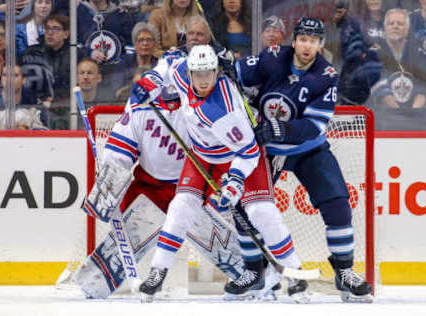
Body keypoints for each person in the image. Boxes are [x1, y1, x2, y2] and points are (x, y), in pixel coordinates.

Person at [132, 44, 306, 303]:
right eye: (198, 74)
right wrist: (151, 82)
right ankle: (158, 272)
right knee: (181, 207)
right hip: (202, 155)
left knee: (261, 213)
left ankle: (295, 275)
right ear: (190, 72)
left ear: (217, 72)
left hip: (243, 155)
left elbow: (248, 152)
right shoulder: (182, 72)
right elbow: (168, 63)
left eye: (208, 74)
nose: (203, 80)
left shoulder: (223, 110)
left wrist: (234, 183)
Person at [234, 17, 373, 303]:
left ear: (320, 45)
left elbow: (314, 126)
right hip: (266, 152)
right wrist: (224, 63)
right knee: (244, 206)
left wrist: (278, 129)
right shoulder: (272, 57)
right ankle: (253, 271)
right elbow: (234, 75)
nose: (308, 46)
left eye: (314, 41)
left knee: (337, 203)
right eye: (303, 40)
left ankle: (344, 271)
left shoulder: (327, 75)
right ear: (294, 40)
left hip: (308, 149)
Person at [73, 80, 248, 299]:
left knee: (234, 246)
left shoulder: (198, 108)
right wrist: (112, 179)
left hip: (192, 188)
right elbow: (121, 149)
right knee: (93, 285)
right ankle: (97, 279)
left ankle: (258, 277)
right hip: (148, 189)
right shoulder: (140, 106)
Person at [0, 65, 47, 130]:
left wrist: (26, 134)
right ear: (1, 80)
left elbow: (43, 135)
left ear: (23, 80)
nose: (9, 79)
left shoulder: (35, 105)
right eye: (5, 75)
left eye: (15, 75)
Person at [107, 22, 159, 94]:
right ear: (135, 44)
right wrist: (133, 84)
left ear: (155, 44)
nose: (145, 43)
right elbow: (116, 93)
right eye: (140, 40)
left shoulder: (160, 65)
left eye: (149, 40)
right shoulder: (122, 64)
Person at [77, 0, 134, 64]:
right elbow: (71, 45)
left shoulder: (122, 15)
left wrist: (120, 61)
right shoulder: (76, 14)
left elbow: (130, 47)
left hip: (116, 70)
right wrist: (88, 53)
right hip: (84, 68)